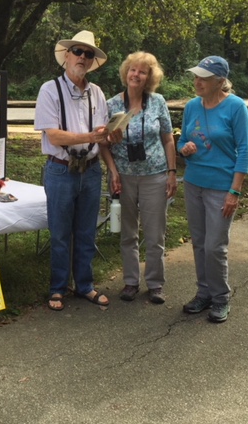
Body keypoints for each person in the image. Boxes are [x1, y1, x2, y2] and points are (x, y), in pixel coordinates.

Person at [34, 30, 121, 311]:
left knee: (86, 232)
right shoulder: (50, 89)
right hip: (60, 170)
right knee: (60, 233)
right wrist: (90, 137)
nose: (83, 57)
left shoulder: (96, 92)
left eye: (89, 53)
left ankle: (84, 285)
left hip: (92, 170)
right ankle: (58, 288)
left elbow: (102, 136)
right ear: (66, 56)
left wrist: (111, 136)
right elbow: (55, 136)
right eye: (78, 51)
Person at [178, 56, 248, 323]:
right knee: (199, 243)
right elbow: (183, 139)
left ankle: (221, 298)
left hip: (221, 187)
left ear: (220, 81)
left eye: (203, 78)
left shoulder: (235, 107)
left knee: (215, 247)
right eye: (196, 76)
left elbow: (245, 150)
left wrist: (235, 191)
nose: (197, 81)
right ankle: (204, 293)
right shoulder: (191, 107)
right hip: (194, 182)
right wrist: (183, 148)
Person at [106, 52, 178, 304]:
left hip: (155, 176)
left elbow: (168, 139)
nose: (136, 74)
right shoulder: (112, 104)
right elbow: (104, 143)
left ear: (149, 78)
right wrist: (112, 171)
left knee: (155, 233)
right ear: (126, 72)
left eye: (142, 71)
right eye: (132, 70)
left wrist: (172, 172)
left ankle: (156, 284)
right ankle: (130, 282)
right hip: (123, 177)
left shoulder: (158, 102)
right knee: (128, 232)